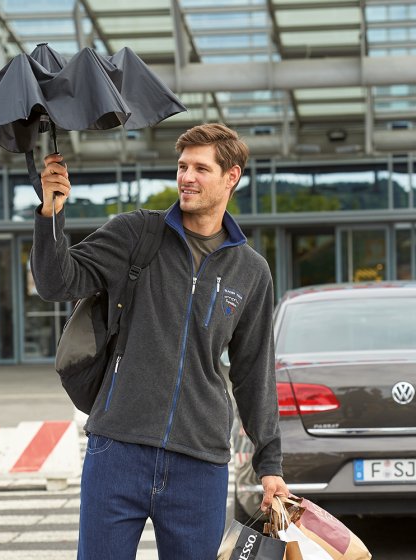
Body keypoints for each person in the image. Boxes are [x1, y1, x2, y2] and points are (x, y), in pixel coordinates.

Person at [31, 123, 288, 559]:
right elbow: (57, 282)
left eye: (201, 168)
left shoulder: (251, 271)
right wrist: (50, 215)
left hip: (200, 460)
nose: (187, 176)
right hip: (118, 449)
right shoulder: (137, 234)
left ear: (232, 177)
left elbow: (253, 370)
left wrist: (270, 465)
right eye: (182, 166)